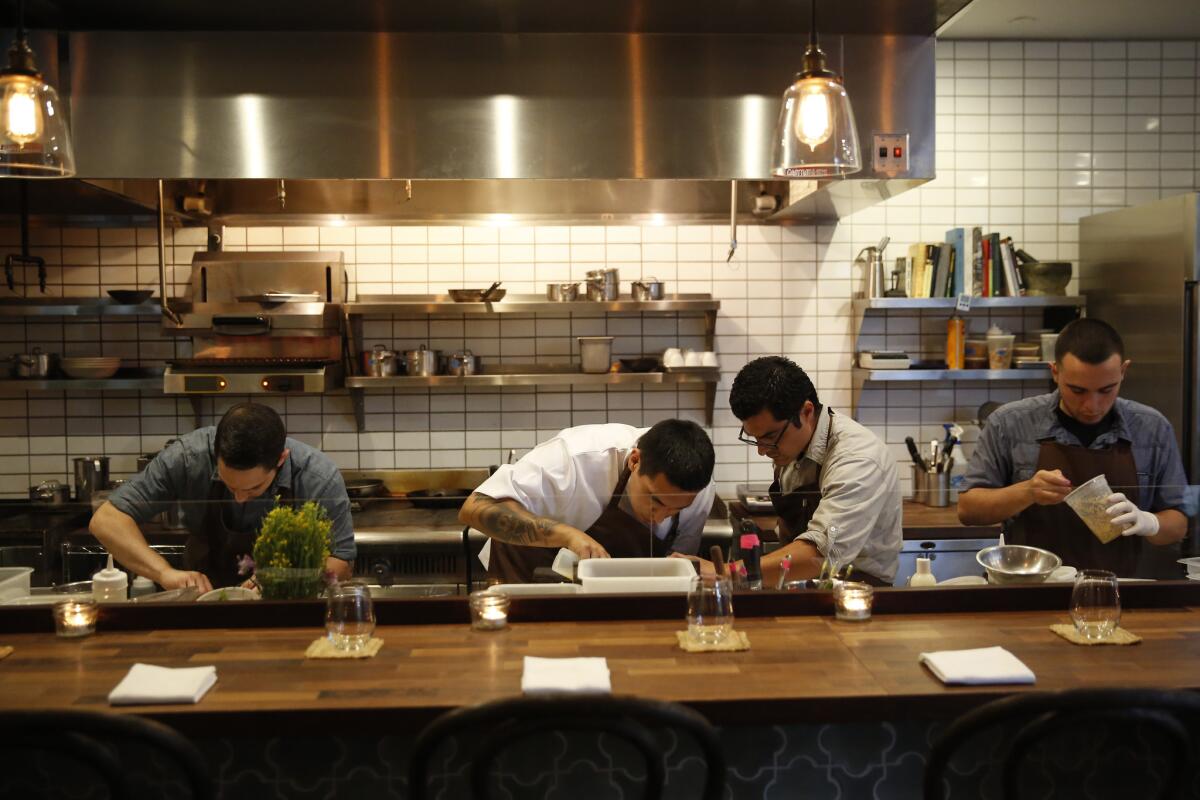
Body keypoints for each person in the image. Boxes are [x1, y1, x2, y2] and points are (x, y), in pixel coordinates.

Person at [957, 318, 1188, 575]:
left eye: (1106, 389)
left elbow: (1179, 524)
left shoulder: (1152, 428)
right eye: (1077, 390)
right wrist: (1028, 491)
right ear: (1055, 372)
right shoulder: (1010, 423)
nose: (1092, 405)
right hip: (1033, 591)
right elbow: (968, 510)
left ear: (1123, 371)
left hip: (1125, 592)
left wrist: (1149, 522)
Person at [673, 356, 901, 586]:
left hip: (858, 596)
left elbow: (818, 556)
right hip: (803, 586)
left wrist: (729, 572)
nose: (762, 450)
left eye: (770, 437)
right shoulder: (791, 446)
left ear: (806, 411)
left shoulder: (857, 460)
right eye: (755, 438)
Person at [91, 403, 355, 592]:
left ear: (281, 459)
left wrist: (284, 581)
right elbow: (106, 520)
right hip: (202, 601)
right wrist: (164, 572)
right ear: (214, 453)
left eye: (253, 489)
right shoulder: (188, 457)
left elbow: (341, 562)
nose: (240, 498)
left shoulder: (318, 476)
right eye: (229, 486)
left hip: (284, 605)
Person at [459, 419, 717, 584]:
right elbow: (475, 507)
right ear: (635, 461)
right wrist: (568, 535)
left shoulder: (700, 493)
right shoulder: (575, 456)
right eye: (656, 501)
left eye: (676, 510)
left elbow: (676, 570)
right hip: (527, 587)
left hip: (611, 606)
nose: (660, 517)